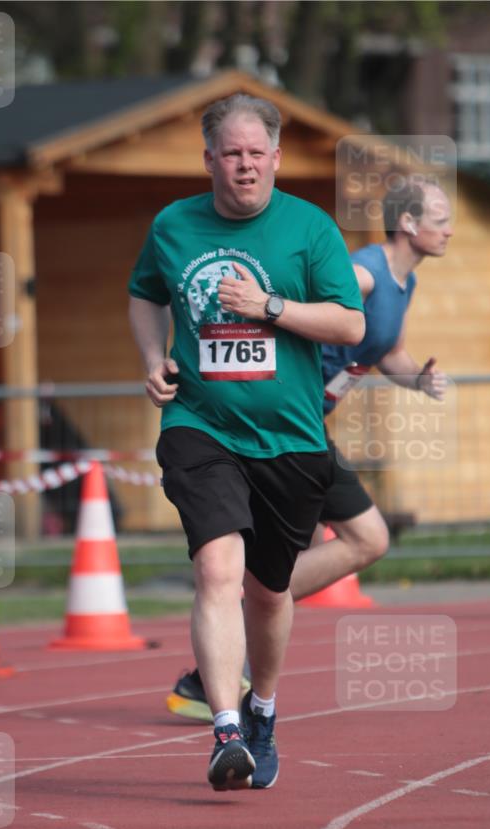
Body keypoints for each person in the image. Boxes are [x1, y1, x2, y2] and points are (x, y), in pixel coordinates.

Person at [129, 93, 364, 790]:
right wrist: (150, 358)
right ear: (209, 159)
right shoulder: (173, 226)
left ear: (276, 158)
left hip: (290, 438)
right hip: (200, 426)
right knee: (216, 573)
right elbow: (144, 292)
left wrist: (267, 306)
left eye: (256, 153)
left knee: (267, 593)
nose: (244, 166)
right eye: (231, 153)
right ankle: (225, 731)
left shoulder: (308, 229)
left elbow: (349, 326)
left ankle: (261, 709)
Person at [167, 176, 453, 722]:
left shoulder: (403, 283)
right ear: (409, 224)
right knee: (359, 538)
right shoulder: (365, 271)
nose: (449, 229)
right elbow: (324, 314)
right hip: (283, 424)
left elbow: (386, 349)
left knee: (366, 540)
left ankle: (239, 619)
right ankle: (225, 647)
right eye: (440, 218)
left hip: (308, 428)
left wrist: (419, 379)